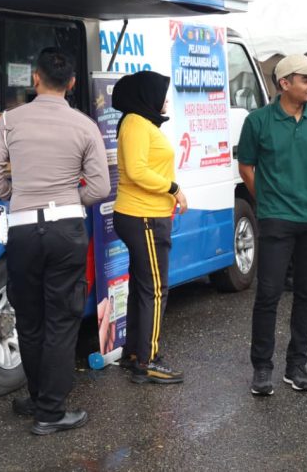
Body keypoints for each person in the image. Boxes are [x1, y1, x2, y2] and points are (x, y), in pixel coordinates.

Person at [0, 47, 110, 435]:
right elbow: (100, 187)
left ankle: (39, 399)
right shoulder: (85, 126)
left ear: (35, 78)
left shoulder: (9, 121)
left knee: (30, 317)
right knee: (62, 319)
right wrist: (70, 201)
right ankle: (50, 412)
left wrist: (15, 196)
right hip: (65, 230)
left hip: (22, 229)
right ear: (72, 83)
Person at [238, 54, 307, 396]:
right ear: (285, 83)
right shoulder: (258, 121)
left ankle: (296, 365)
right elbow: (246, 167)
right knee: (269, 293)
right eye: (306, 79)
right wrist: (267, 202)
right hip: (277, 219)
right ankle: (262, 367)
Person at [111, 71, 187, 385]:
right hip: (143, 216)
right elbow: (137, 170)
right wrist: (173, 188)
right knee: (155, 289)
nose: (165, 99)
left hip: (144, 215)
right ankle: (148, 360)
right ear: (146, 95)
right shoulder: (136, 124)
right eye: (161, 93)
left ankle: (134, 352)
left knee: (143, 287)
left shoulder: (141, 123)